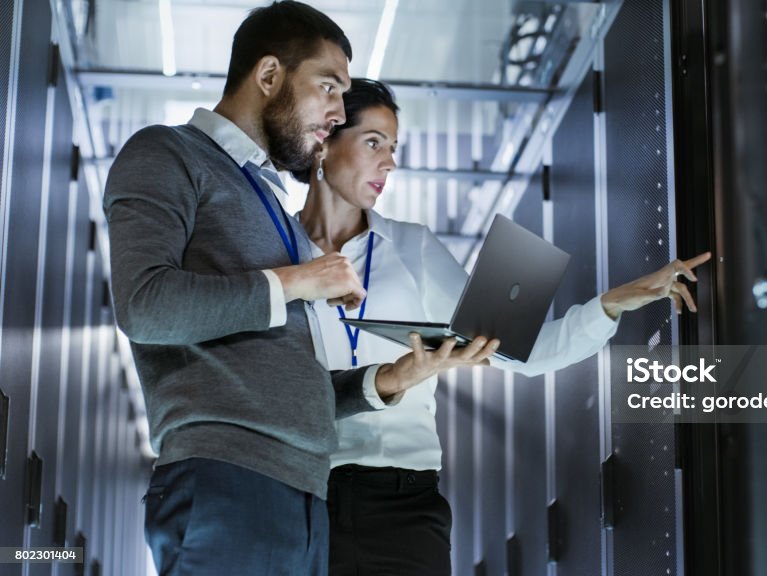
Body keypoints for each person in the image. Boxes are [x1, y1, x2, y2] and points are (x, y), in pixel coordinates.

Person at [103, 4, 495, 575]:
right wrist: (299, 280)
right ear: (268, 77)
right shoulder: (167, 153)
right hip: (228, 479)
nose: (337, 112)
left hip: (304, 495)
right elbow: (145, 306)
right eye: (328, 87)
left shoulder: (273, 212)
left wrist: (391, 380)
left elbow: (289, 381)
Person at [293, 78, 712, 575]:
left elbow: (522, 352)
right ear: (325, 142)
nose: (390, 162)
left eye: (394, 148)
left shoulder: (413, 248)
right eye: (373, 143)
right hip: (299, 495)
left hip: (402, 503)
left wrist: (611, 304)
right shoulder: (274, 252)